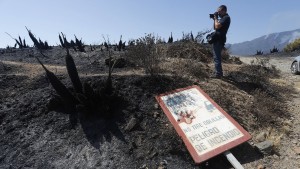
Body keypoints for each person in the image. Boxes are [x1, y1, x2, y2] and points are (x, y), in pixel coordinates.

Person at [210, 5, 231, 78]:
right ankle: (219, 73)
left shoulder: (226, 18)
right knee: (216, 57)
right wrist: (214, 19)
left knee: (217, 57)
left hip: (219, 39)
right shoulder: (223, 18)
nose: (218, 13)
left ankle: (218, 74)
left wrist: (216, 18)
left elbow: (217, 26)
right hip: (218, 39)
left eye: (219, 12)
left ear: (224, 11)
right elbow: (215, 27)